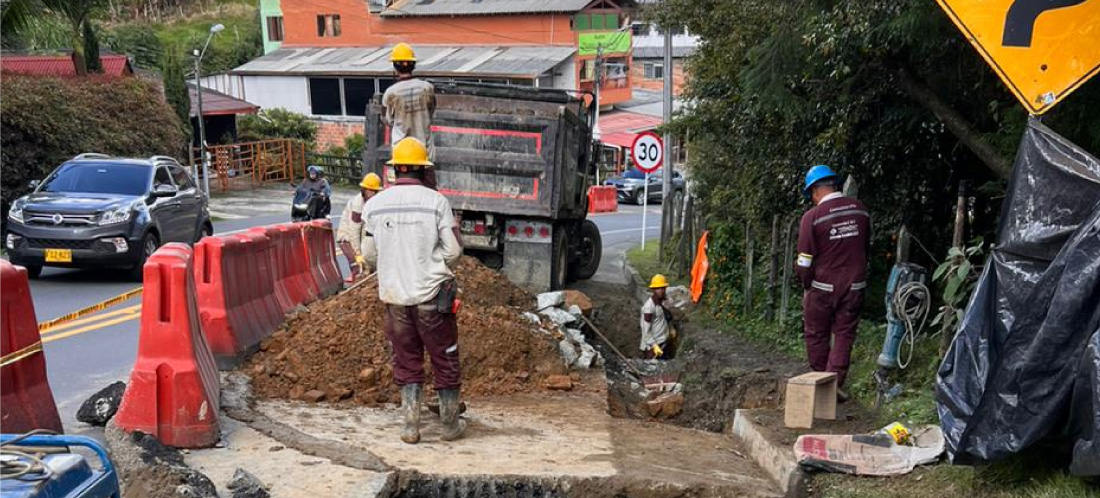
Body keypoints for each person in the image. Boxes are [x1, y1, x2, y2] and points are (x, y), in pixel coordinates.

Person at [362, 137, 464, 444]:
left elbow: (368, 255)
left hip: (395, 298)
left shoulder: (375, 204)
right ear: (424, 170)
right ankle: (449, 426)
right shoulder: (436, 202)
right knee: (444, 359)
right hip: (432, 296)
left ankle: (410, 427)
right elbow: (454, 251)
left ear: (395, 169)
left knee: (406, 361)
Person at [795, 165, 870, 399]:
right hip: (855, 285)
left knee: (816, 333)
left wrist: (806, 284)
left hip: (823, 287)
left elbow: (804, 261)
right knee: (845, 333)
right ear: (833, 185)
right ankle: (835, 382)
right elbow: (865, 247)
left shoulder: (812, 217)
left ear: (815, 191)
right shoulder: (860, 210)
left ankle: (821, 382)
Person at [382, 43, 438, 189]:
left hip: (401, 158)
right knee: (429, 195)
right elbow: (431, 110)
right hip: (424, 155)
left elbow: (387, 120)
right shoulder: (427, 88)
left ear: (395, 67)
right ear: (413, 65)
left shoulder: (391, 93)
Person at [336, 173, 382, 282]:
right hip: (347, 235)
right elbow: (354, 230)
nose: (371, 194)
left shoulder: (376, 202)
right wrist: (358, 253)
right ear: (364, 190)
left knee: (370, 263)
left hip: (363, 233)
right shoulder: (358, 203)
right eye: (368, 191)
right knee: (359, 265)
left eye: (373, 191)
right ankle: (356, 279)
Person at [640, 274, 676, 360]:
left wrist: (671, 328)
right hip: (653, 347)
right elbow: (646, 330)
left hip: (663, 342)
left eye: (663, 288)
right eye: (658, 288)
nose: (661, 290)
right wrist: (654, 345)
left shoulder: (660, 303)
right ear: (653, 290)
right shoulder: (649, 308)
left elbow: (666, 317)